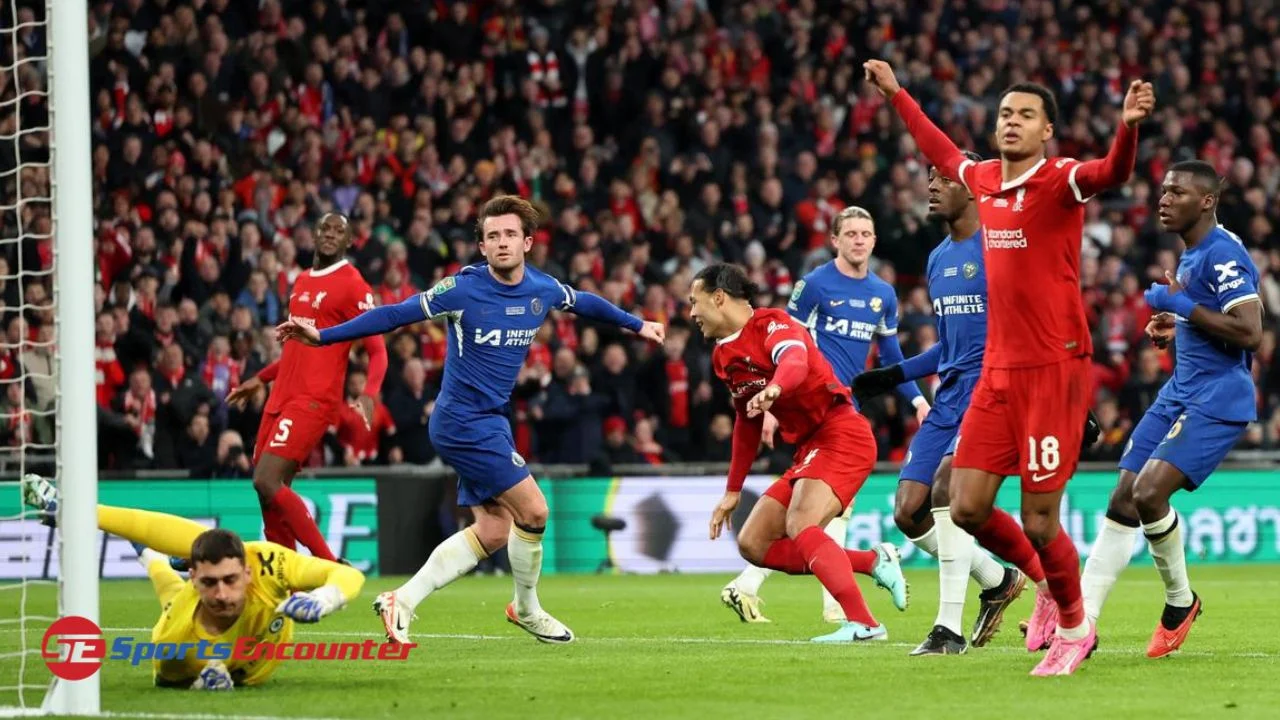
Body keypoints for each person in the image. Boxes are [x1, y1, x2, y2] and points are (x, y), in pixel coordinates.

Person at [865, 58, 1154, 675]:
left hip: (1053, 369)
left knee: (1039, 516)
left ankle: (1076, 628)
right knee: (963, 504)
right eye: (1004, 114)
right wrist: (896, 94)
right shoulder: (985, 178)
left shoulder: (1061, 179)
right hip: (997, 373)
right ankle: (1044, 584)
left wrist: (1127, 128)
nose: (1012, 122)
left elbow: (1113, 171)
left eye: (1025, 115)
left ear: (1048, 129)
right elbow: (940, 149)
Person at [277, 195, 664, 645]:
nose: (501, 243)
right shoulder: (461, 290)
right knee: (535, 510)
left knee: (496, 530)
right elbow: (392, 314)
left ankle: (401, 600)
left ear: (527, 243)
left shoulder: (541, 289)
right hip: (461, 421)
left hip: (491, 420)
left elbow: (587, 303)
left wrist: (638, 325)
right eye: (492, 236)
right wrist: (323, 335)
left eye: (509, 235)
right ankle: (527, 608)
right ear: (482, 246)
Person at [1080, 161, 1261, 658]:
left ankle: (1180, 603)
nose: (1163, 199)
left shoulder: (1221, 254)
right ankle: (1081, 623)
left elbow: (1251, 332)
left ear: (1206, 201)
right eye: (1162, 191)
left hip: (1218, 396)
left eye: (1176, 192)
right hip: (1181, 388)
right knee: (1122, 497)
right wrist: (1177, 325)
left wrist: (1181, 308)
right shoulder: (1192, 254)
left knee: (1147, 494)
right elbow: (1208, 319)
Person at [851, 157, 1031, 655]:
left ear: (973, 189)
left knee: (947, 487)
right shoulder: (937, 259)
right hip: (949, 392)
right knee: (909, 511)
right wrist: (894, 374)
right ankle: (997, 581)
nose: (931, 187)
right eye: (928, 179)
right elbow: (951, 348)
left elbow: (1031, 326)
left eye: (942, 180)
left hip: (992, 388)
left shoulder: (999, 249)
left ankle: (946, 629)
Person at [720, 205, 930, 624]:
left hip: (842, 412)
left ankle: (757, 586)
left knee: (815, 514)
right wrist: (774, 406)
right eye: (849, 233)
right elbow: (782, 344)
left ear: (873, 240)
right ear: (834, 240)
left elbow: (890, 356)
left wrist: (918, 400)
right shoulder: (814, 286)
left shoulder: (883, 294)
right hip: (806, 406)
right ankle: (841, 591)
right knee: (808, 516)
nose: (858, 240)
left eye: (865, 234)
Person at [693, 263, 907, 643]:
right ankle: (872, 561)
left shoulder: (774, 324)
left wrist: (776, 388)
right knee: (753, 543)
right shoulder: (722, 357)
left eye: (695, 302)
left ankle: (865, 624)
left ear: (719, 298)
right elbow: (746, 421)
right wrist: (732, 490)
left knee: (801, 525)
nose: (692, 313)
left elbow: (795, 360)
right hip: (810, 447)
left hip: (842, 432)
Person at [21, 474, 365, 689]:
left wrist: (326, 597)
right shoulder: (174, 642)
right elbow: (164, 679)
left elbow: (348, 574)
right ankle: (153, 558)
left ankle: (81, 515)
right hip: (198, 633)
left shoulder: (266, 562)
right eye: (210, 583)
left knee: (198, 541)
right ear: (195, 578)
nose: (222, 594)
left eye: (231, 579)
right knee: (170, 595)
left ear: (247, 571)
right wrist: (199, 682)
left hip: (248, 631)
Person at [225, 212, 387, 563]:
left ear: (349, 242)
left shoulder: (353, 284)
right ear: (314, 234)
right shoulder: (300, 280)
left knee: (266, 480)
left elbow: (378, 351)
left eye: (338, 231)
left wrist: (369, 393)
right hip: (280, 397)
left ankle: (328, 563)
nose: (330, 234)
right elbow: (298, 350)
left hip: (313, 399)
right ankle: (287, 579)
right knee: (269, 494)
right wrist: (261, 378)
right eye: (325, 228)